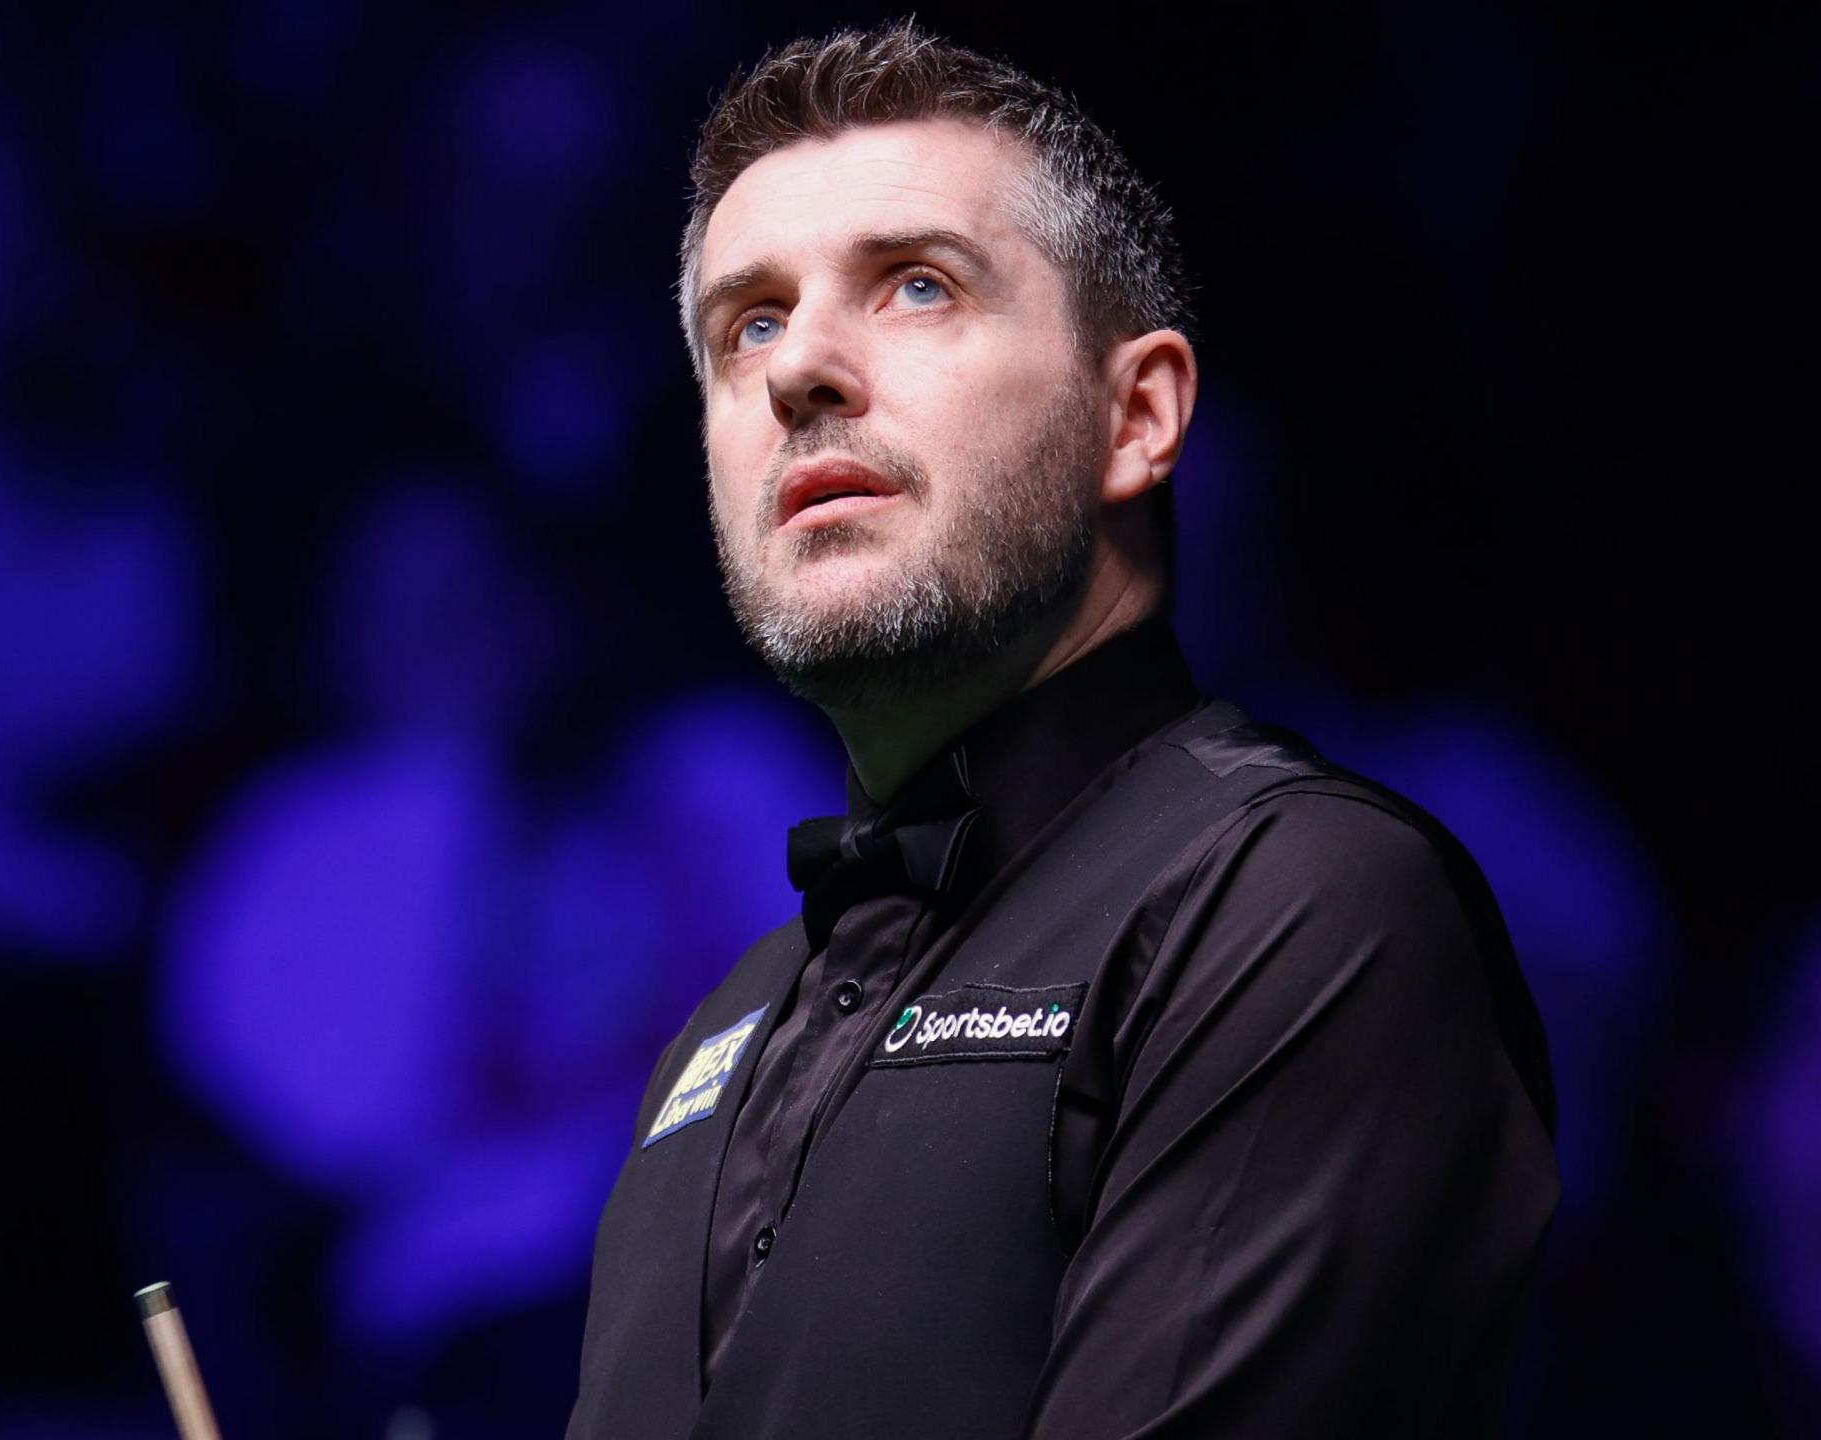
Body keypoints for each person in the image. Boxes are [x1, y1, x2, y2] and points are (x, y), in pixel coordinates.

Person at [565, 21, 1557, 1439]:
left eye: (917, 285)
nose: (798, 369)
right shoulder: (718, 1034)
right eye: (752, 323)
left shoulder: (1299, 900)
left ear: (1135, 415)